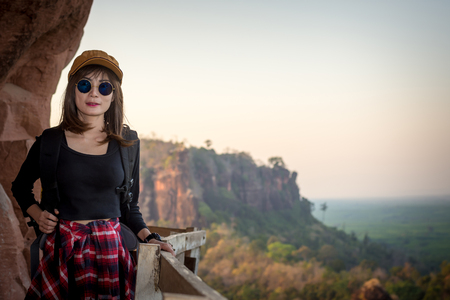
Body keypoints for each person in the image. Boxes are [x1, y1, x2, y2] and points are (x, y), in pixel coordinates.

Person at [11, 50, 175, 299]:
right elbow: (20, 186)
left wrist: (150, 237)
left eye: (105, 87)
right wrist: (37, 214)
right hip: (62, 252)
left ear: (114, 96)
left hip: (111, 253)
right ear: (73, 91)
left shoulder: (128, 143)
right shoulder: (50, 142)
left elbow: (130, 206)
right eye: (85, 84)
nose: (94, 93)